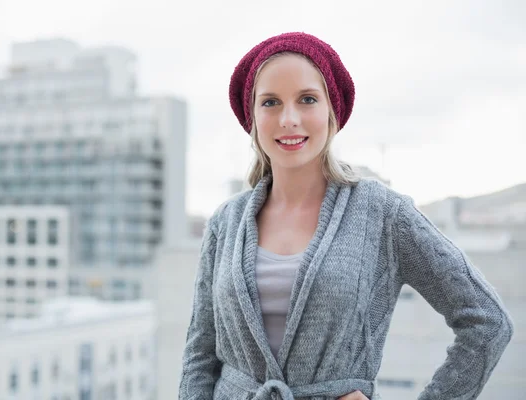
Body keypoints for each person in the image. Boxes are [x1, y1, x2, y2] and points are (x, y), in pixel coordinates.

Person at [178, 32, 514, 400]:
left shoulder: (382, 213)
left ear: (331, 111)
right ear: (252, 117)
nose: (289, 119)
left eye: (307, 99)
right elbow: (199, 357)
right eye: (270, 102)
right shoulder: (226, 222)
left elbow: (488, 321)